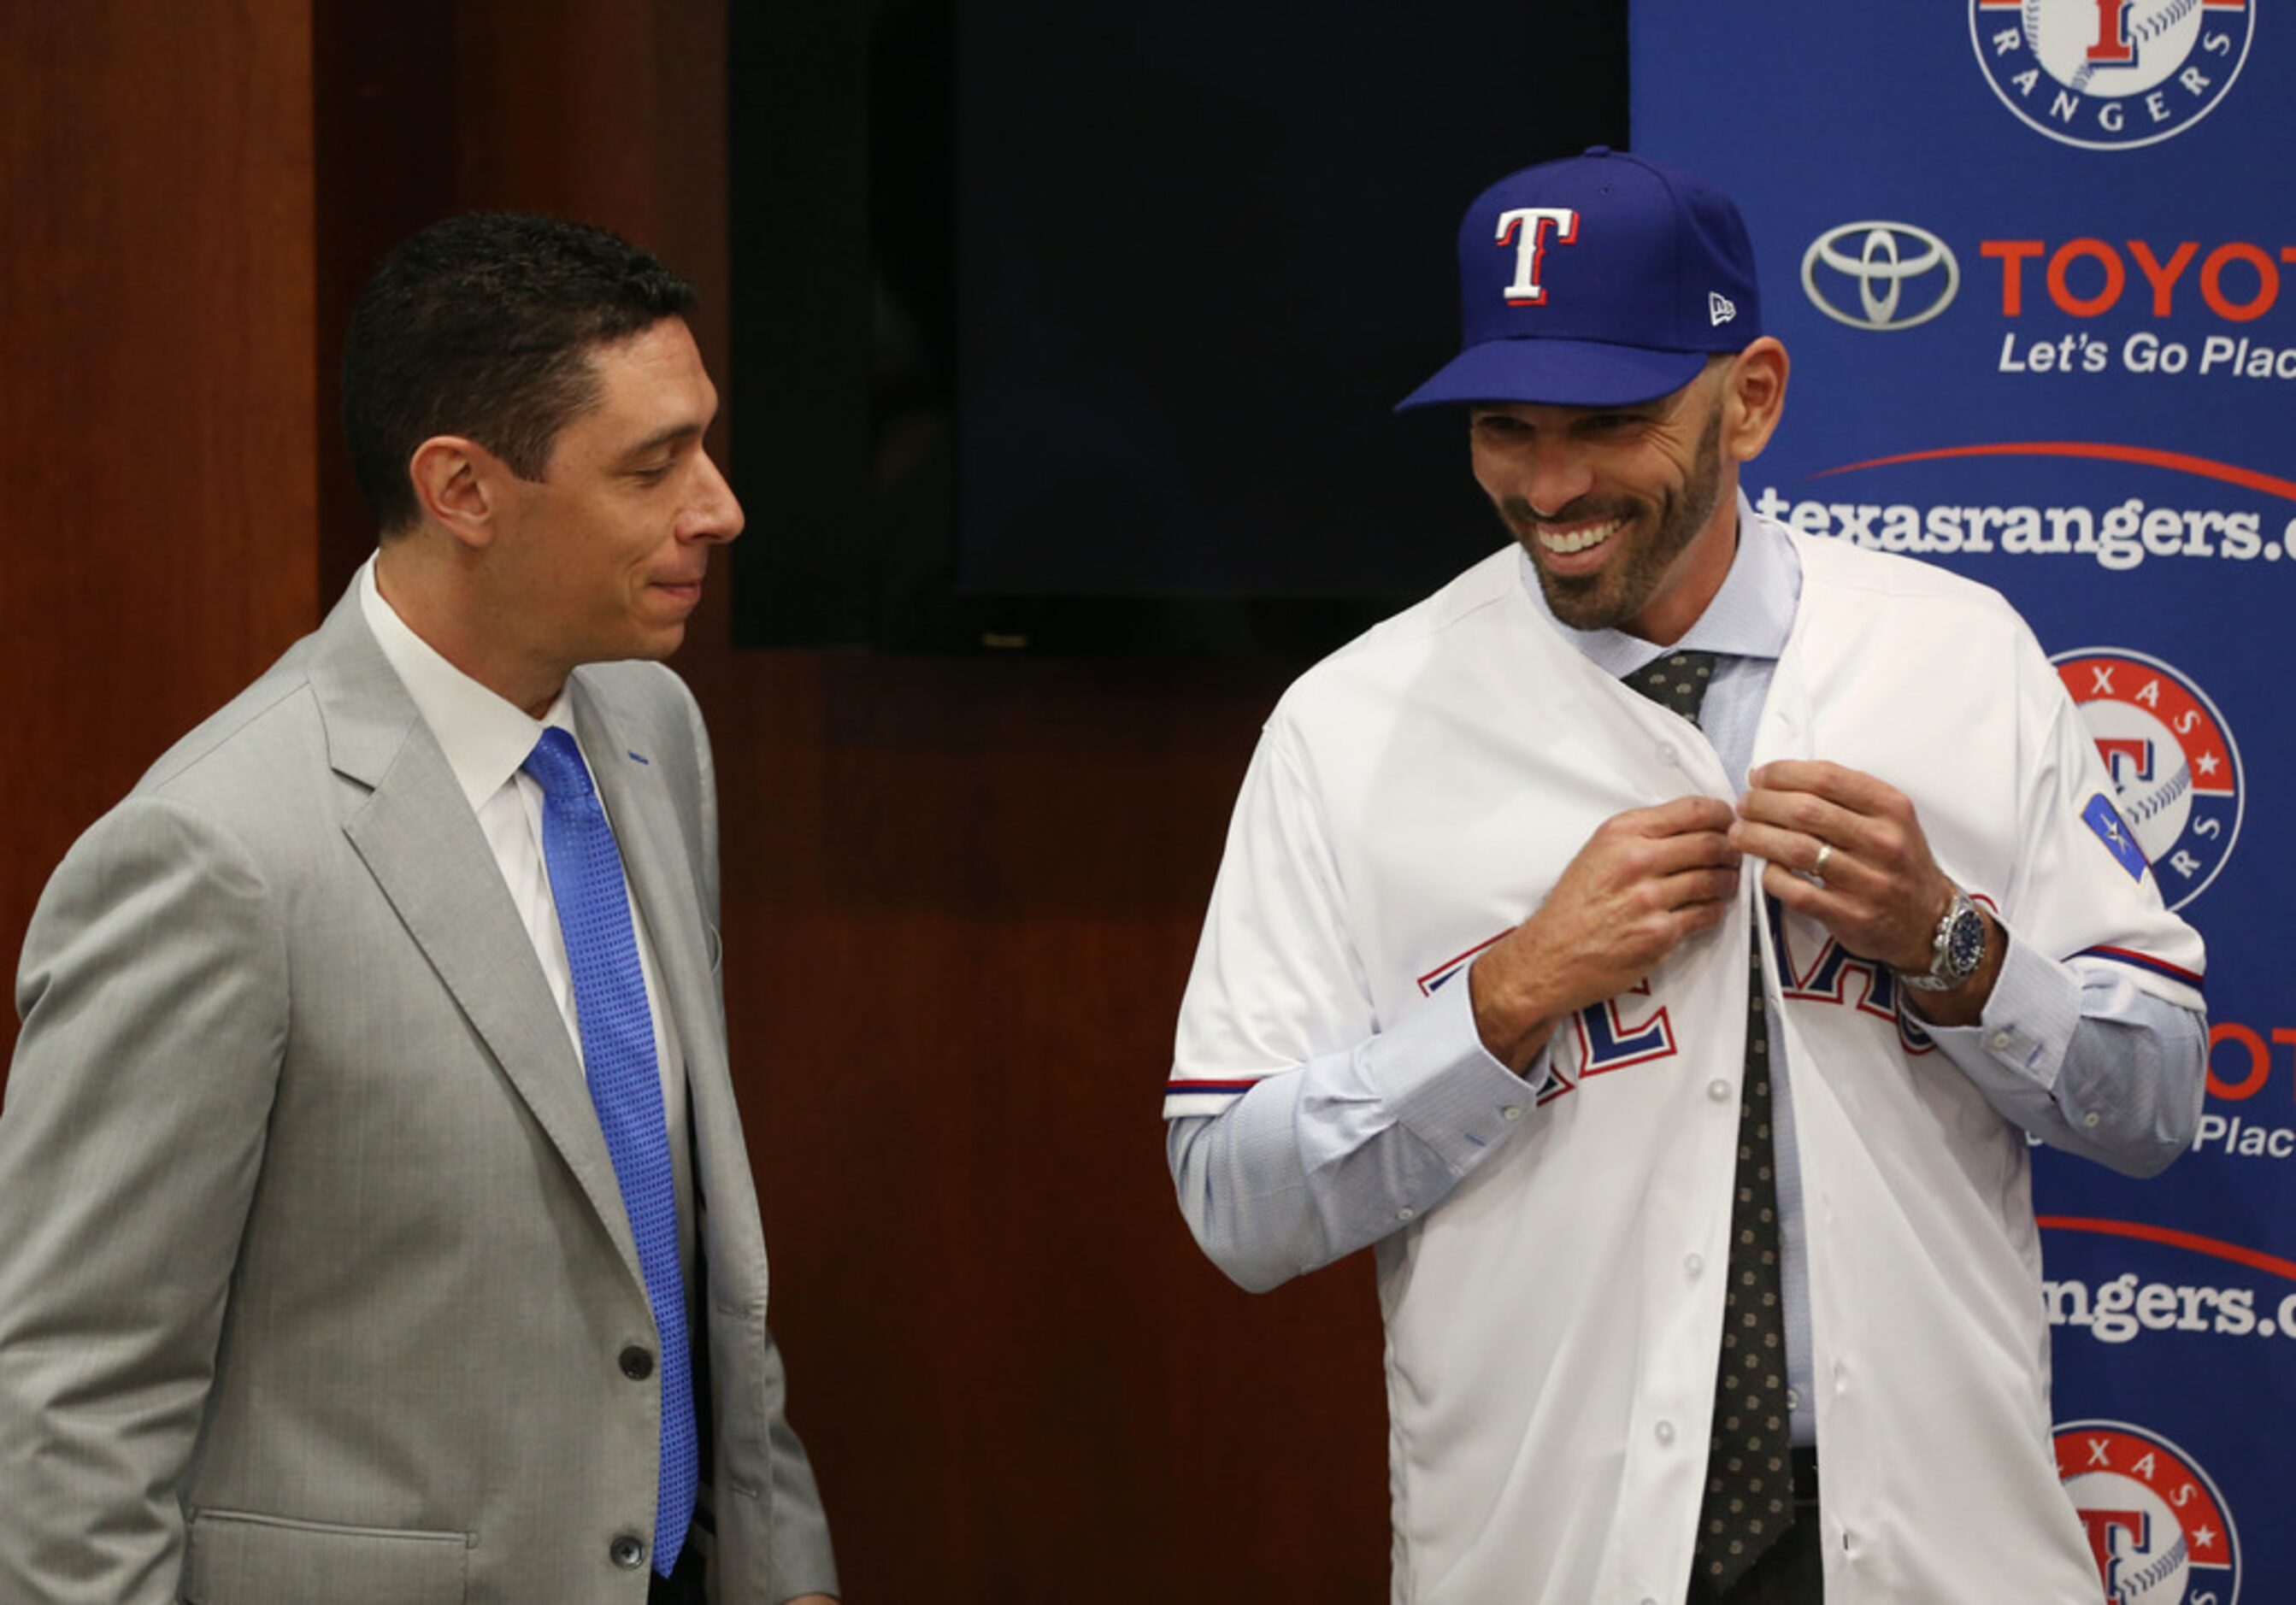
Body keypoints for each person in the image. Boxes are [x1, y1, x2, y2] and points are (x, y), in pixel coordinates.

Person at [1165, 149, 2206, 1604]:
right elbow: (1235, 1200)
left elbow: (2155, 1097)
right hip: (1553, 1559)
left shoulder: (1955, 654)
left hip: (1935, 1546)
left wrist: (1950, 943)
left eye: (1610, 421)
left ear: (1753, 396)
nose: (1547, 483)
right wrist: (1506, 996)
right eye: (1503, 426)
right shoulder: (1351, 722)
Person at [0, 214, 839, 1605]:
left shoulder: (650, 726)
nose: (720, 505)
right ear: (461, 487)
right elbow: (71, 1393)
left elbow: (675, 1240)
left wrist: (781, 1557)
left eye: (702, 443)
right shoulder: (213, 856)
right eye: (653, 466)